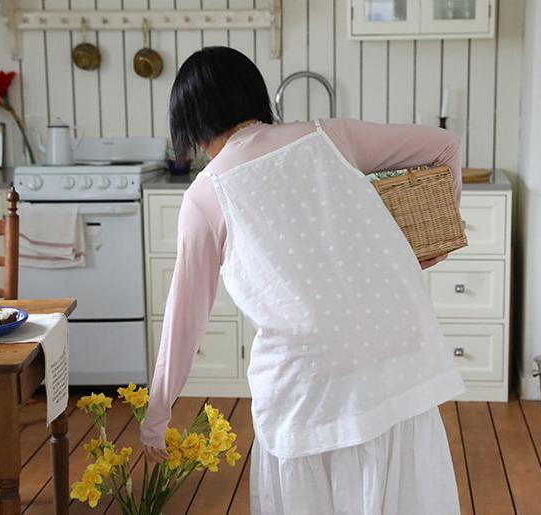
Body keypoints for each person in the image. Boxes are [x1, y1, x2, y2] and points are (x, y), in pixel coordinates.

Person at [141, 46, 466, 514]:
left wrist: (157, 415)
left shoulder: (205, 196)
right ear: (254, 96)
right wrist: (435, 237)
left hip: (306, 387)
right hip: (394, 359)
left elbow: (184, 320)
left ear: (192, 121)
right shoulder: (329, 136)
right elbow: (445, 145)